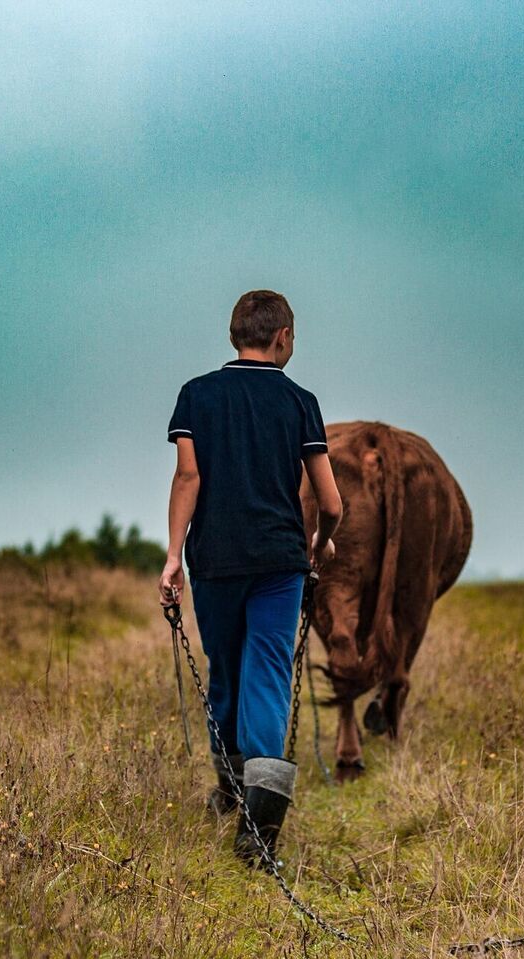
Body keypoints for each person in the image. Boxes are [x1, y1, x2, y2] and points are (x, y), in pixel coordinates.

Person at [159, 289, 342, 867]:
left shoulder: (197, 395)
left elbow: (188, 477)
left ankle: (228, 789)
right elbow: (329, 499)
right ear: (283, 336)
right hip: (279, 562)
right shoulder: (300, 402)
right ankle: (257, 839)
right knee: (266, 674)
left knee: (226, 673)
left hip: (213, 559)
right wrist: (320, 541)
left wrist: (171, 557)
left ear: (233, 334)